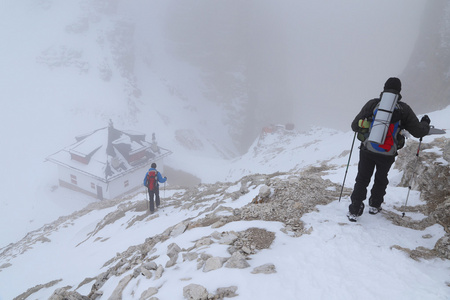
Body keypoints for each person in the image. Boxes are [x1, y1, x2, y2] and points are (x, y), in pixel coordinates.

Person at [347, 77, 430, 222]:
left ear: (384, 88)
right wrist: (425, 123)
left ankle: (355, 209)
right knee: (381, 178)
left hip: (368, 149)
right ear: (399, 91)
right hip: (387, 152)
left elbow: (355, 126)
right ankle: (374, 205)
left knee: (362, 178)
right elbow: (418, 132)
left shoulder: (373, 104)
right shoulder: (404, 109)